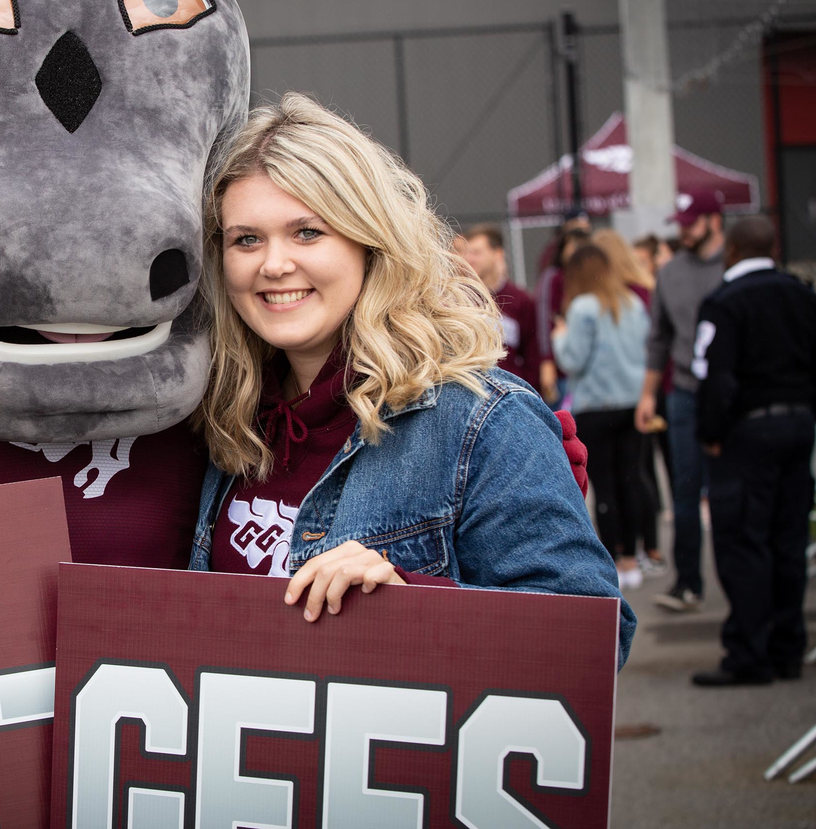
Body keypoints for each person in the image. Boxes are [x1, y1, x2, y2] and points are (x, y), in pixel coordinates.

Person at [188, 93, 634, 667]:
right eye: (246, 239)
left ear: (370, 243)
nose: (273, 264)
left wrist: (412, 605)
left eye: (307, 232)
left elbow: (595, 641)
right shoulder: (228, 419)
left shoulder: (480, 419)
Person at [690, 216, 816, 686]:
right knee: (788, 540)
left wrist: (711, 432)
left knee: (744, 542)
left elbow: (714, 375)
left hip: (746, 435)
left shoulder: (724, 302)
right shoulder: (802, 294)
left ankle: (749, 655)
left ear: (733, 250)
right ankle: (788, 649)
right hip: (798, 426)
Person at [635, 188, 726, 612]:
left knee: (732, 491)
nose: (684, 231)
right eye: (681, 224)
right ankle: (687, 583)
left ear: (714, 221)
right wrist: (648, 395)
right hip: (684, 394)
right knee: (684, 490)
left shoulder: (735, 267)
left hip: (734, 397)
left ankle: (745, 584)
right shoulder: (671, 275)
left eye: (691, 223)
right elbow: (659, 340)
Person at [552, 244, 652, 589]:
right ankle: (632, 558)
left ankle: (613, 560)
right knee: (631, 480)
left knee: (605, 486)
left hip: (596, 405)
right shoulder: (632, 303)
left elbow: (573, 361)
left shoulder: (582, 308)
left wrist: (560, 339)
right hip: (631, 401)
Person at [593, 228, 665, 571]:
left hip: (608, 400)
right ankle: (647, 548)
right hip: (641, 395)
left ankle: (625, 554)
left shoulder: (598, 301)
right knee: (639, 475)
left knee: (612, 480)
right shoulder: (643, 295)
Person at [462, 223, 541, 389]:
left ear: (497, 254)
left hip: (512, 391)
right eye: (468, 253)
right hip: (473, 390)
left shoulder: (521, 300)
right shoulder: (461, 299)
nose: (470, 259)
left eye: (477, 253)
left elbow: (532, 354)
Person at [537, 225, 590, 405]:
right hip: (560, 367)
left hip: (586, 370)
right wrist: (547, 361)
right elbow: (544, 321)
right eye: (572, 244)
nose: (576, 250)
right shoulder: (553, 277)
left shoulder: (590, 280)